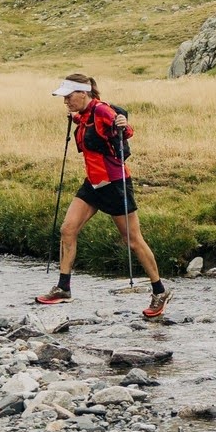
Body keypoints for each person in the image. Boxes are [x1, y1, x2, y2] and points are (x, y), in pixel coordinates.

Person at [37, 75, 168, 319]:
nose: (65, 101)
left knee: (133, 240)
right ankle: (63, 288)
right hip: (93, 184)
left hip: (116, 184)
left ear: (83, 94)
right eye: (63, 97)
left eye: (69, 96)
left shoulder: (102, 111)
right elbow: (86, 122)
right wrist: (74, 118)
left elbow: (126, 130)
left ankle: (159, 291)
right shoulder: (85, 114)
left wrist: (122, 122)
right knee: (68, 229)